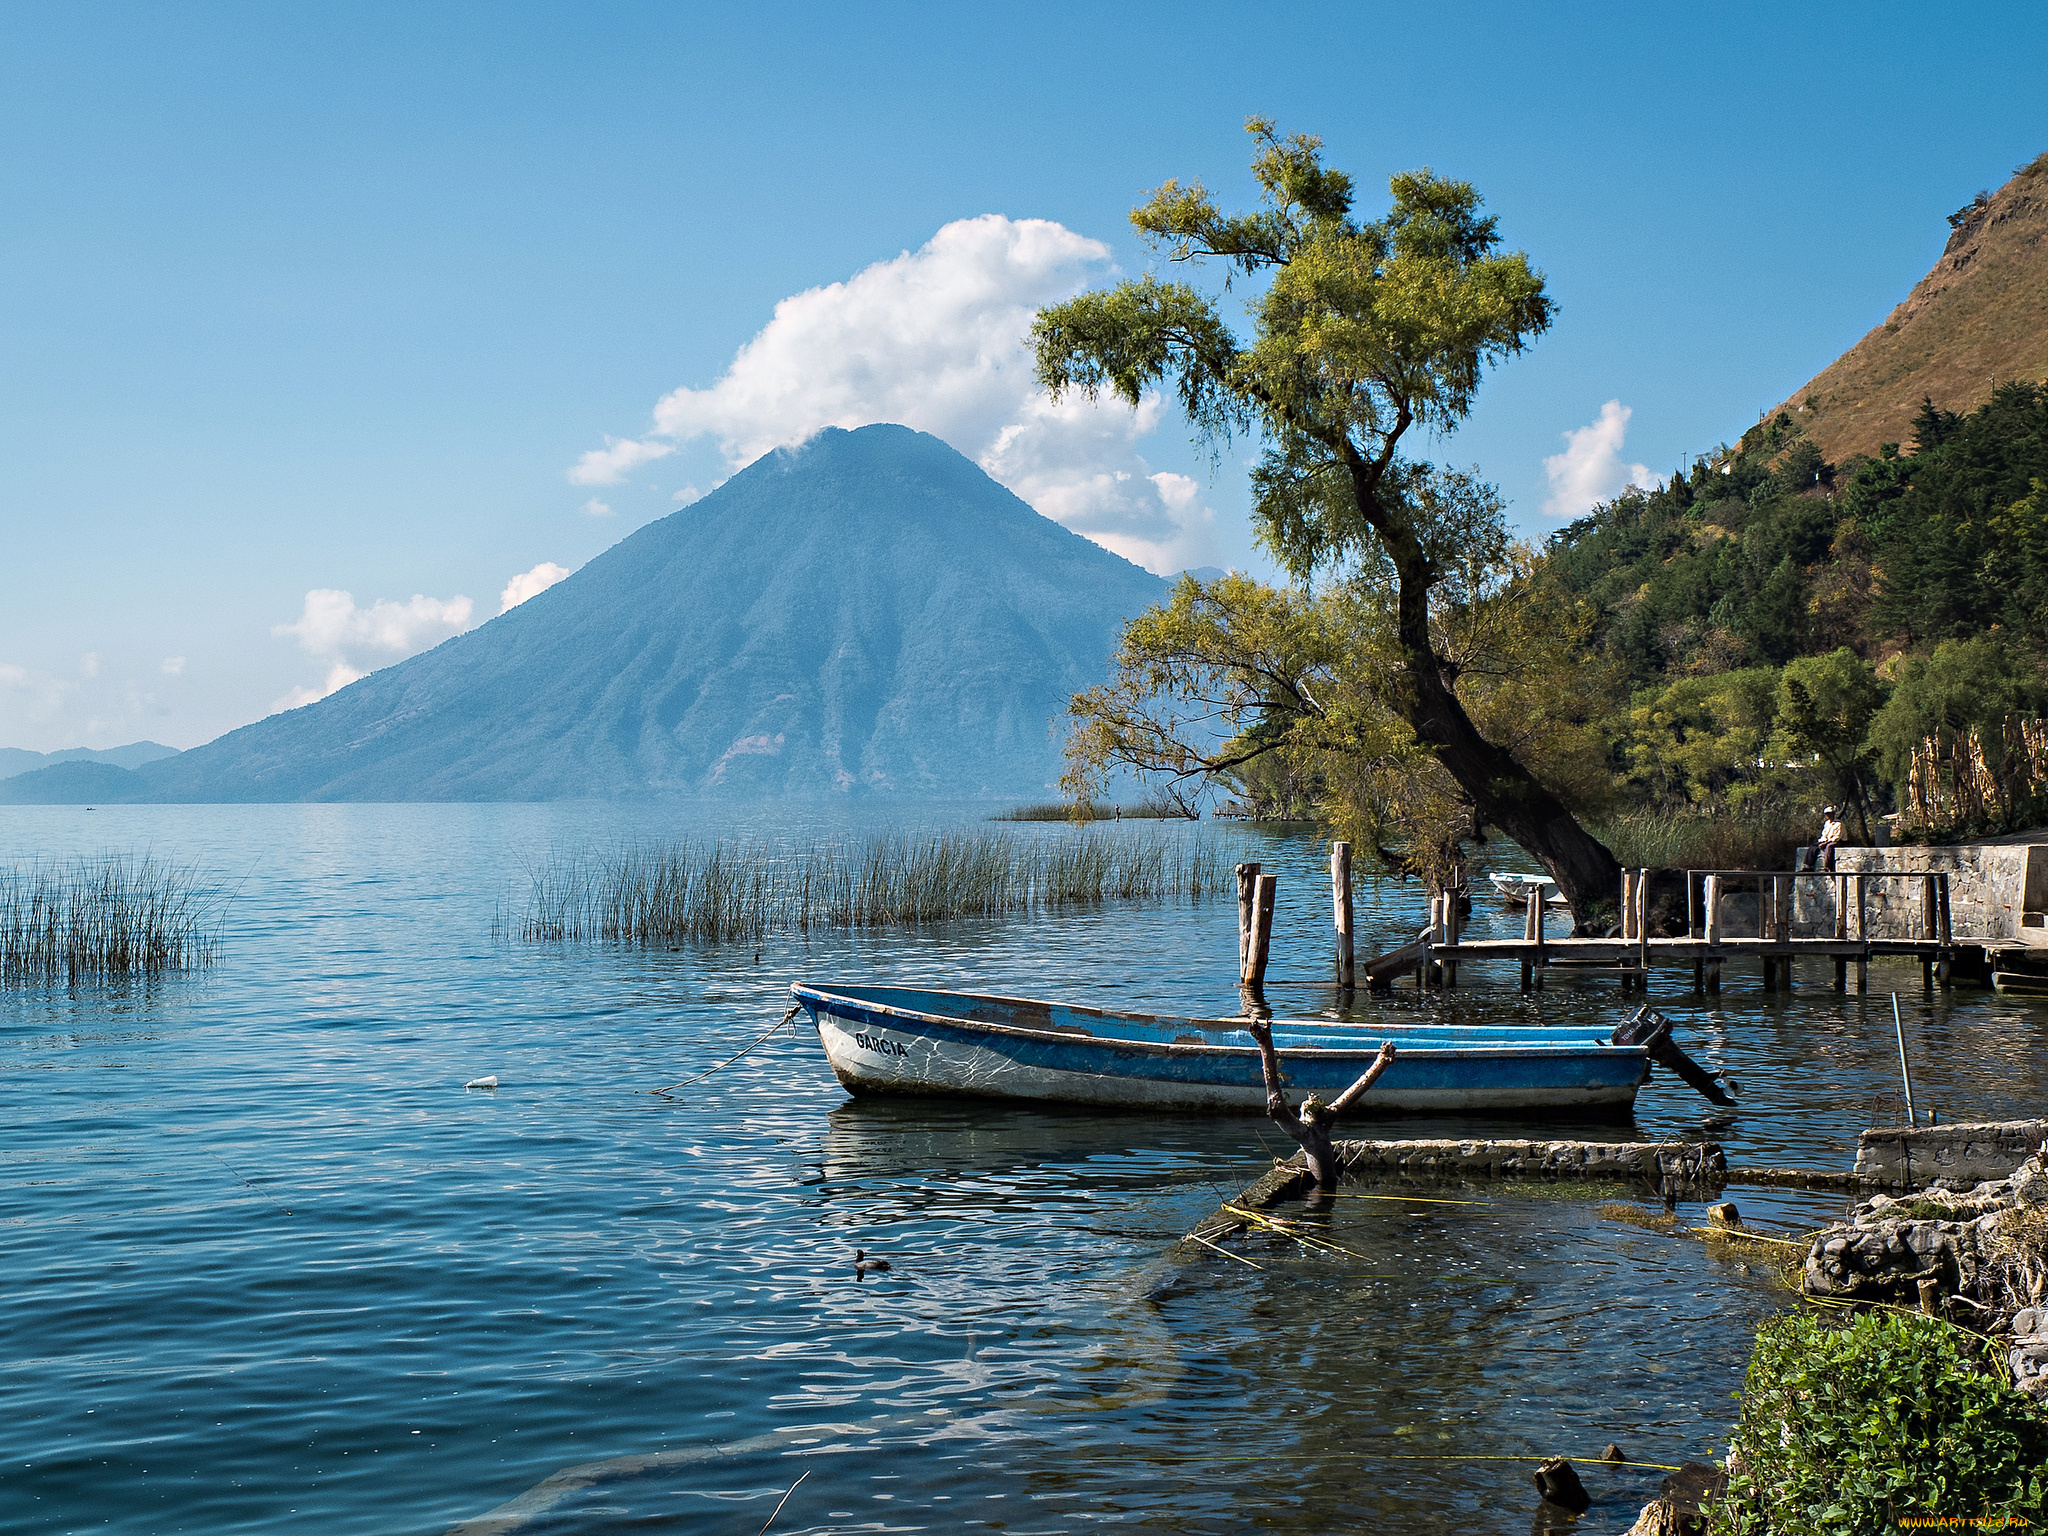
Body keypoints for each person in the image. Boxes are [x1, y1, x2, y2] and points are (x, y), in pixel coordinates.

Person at [1816, 804, 1845, 871]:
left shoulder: (1839, 823)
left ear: (1833, 814)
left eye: (1829, 814)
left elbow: (1837, 837)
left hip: (1839, 841)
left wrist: (1826, 843)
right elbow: (1824, 834)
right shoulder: (1827, 823)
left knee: (1829, 847)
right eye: (1827, 814)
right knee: (1813, 846)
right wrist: (1823, 841)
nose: (1828, 816)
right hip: (1828, 841)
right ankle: (1807, 866)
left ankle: (1827, 867)